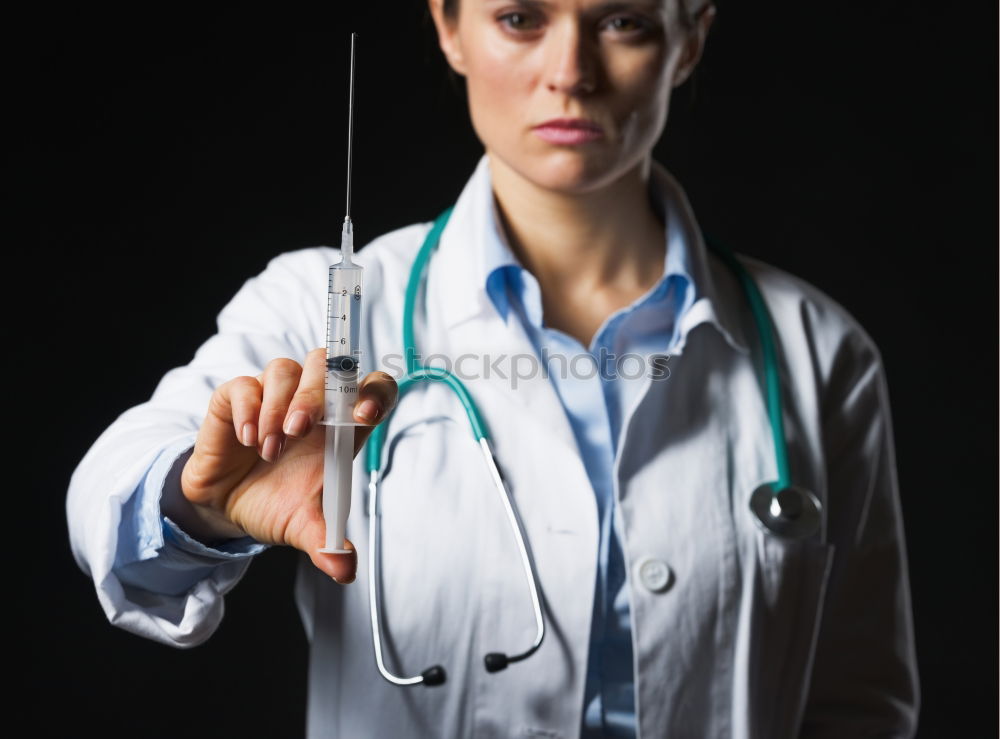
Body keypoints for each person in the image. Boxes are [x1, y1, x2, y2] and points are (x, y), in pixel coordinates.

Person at [66, 0, 921, 736]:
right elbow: (110, 500)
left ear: (689, 38)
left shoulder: (819, 355)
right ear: (450, 27)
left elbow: (857, 707)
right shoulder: (324, 307)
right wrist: (199, 505)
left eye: (623, 20)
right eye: (520, 17)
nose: (572, 72)